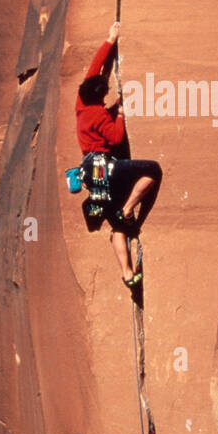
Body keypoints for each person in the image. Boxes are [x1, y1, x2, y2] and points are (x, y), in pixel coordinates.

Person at [76, 21, 162, 289]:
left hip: (90, 171)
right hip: (104, 165)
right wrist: (120, 113)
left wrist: (109, 41)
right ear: (100, 99)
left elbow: (94, 70)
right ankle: (128, 209)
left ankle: (127, 274)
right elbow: (114, 137)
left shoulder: (80, 105)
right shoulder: (101, 113)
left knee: (117, 227)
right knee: (152, 170)